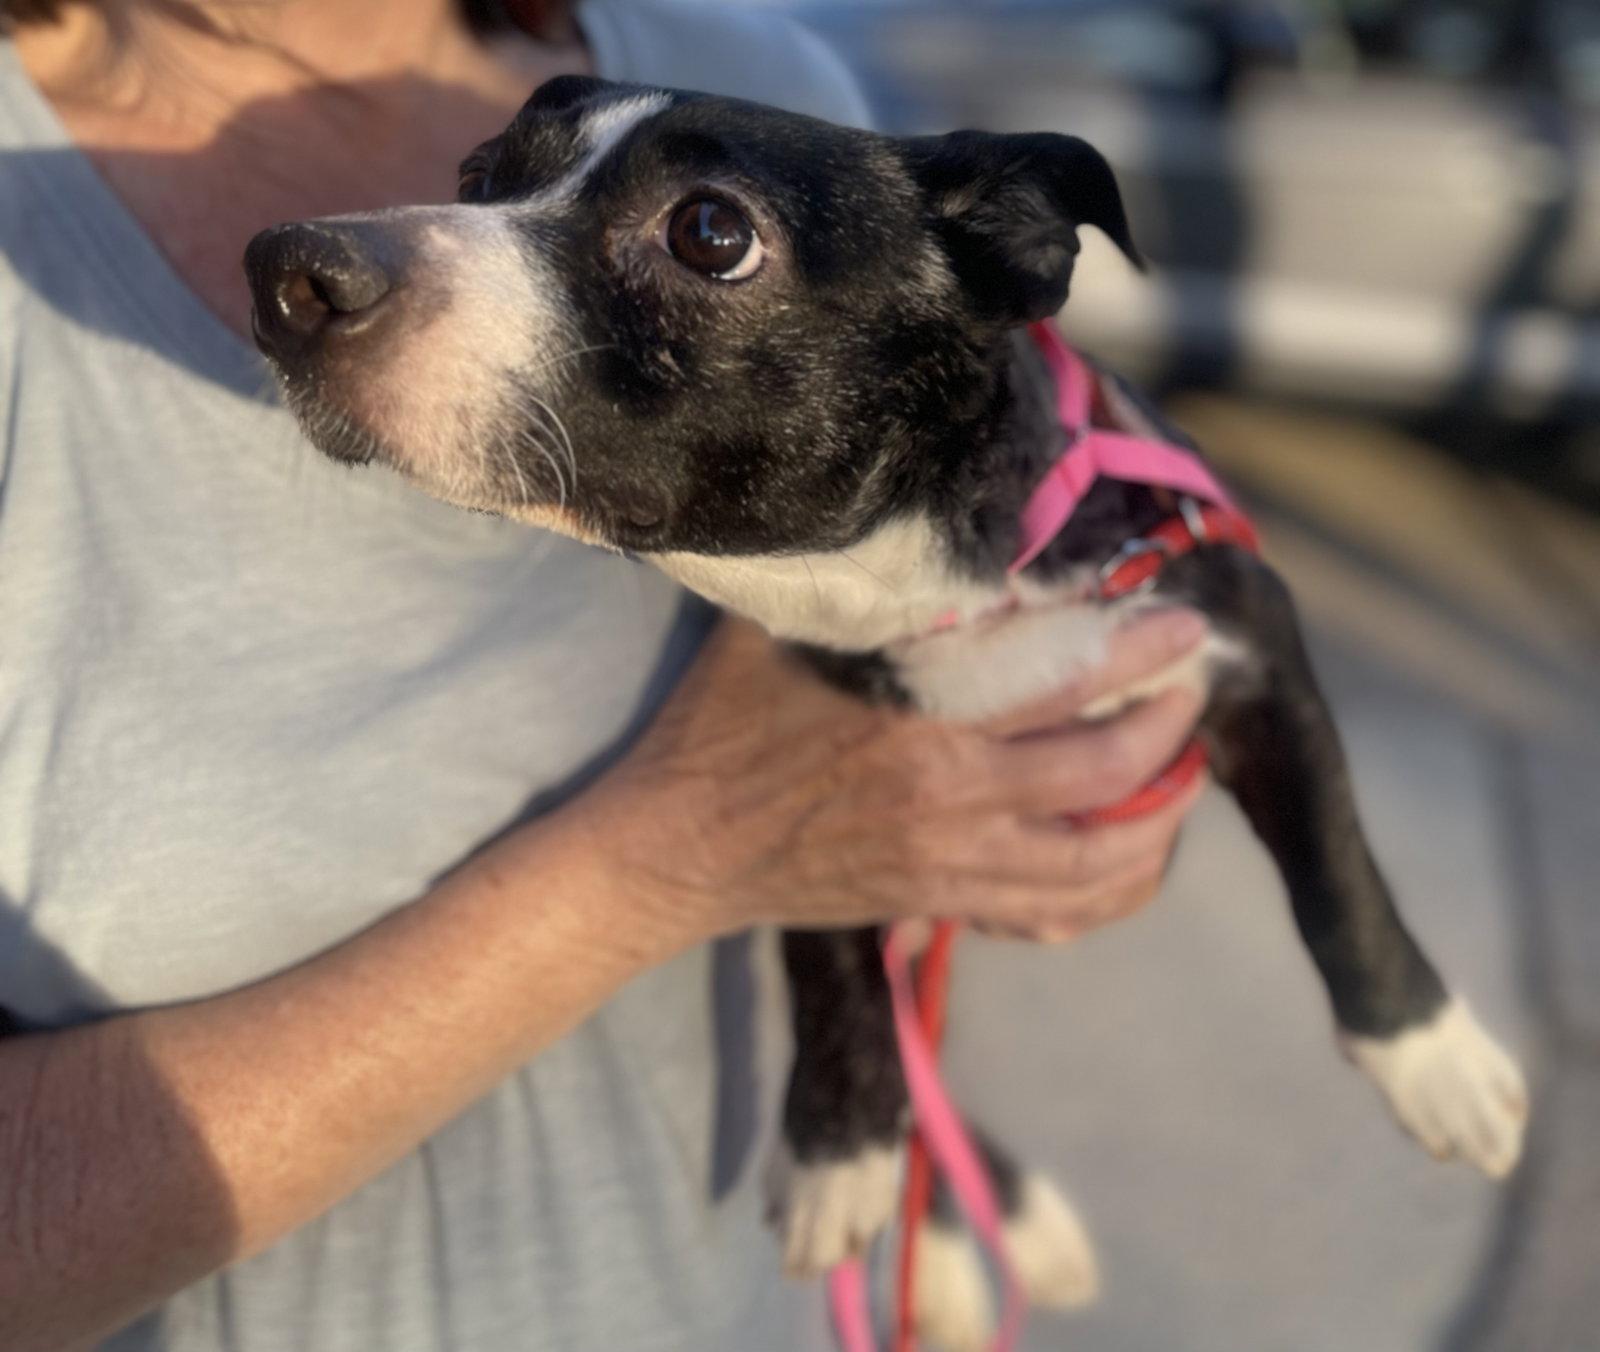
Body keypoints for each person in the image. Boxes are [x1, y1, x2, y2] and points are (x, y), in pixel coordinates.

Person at [0, 2, 1208, 1349]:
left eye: (701, 236)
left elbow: (925, 693)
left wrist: (991, 867)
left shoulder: (757, 84)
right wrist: (680, 847)